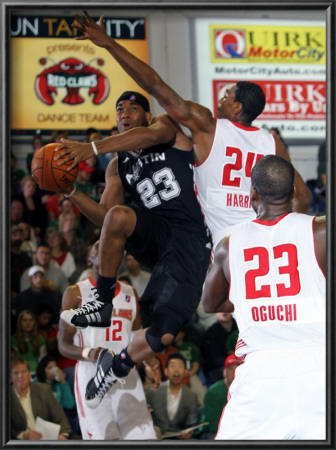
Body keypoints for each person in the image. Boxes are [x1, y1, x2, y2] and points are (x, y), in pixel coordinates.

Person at [59, 11, 312, 256]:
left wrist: (110, 44)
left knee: (213, 299)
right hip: (265, 245)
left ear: (237, 107)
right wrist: (278, 231)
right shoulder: (273, 142)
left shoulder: (207, 126)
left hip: (221, 245)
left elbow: (155, 85)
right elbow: (303, 198)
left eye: (226, 97)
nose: (219, 101)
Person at [53, 88, 210, 406]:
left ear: (147, 115)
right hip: (156, 236)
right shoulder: (117, 165)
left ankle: (118, 365)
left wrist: (92, 147)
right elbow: (104, 217)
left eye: (132, 108)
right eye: (119, 109)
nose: (124, 113)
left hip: (189, 237)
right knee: (118, 216)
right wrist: (70, 190)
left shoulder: (165, 128)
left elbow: (147, 137)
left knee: (161, 334)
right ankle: (102, 303)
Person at [201, 155, 326, 440]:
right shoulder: (320, 230)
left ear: (253, 193)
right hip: (319, 365)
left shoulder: (228, 246)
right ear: (294, 191)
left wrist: (253, 298)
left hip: (261, 373)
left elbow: (211, 304)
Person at [58, 240, 157, 440]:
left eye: (112, 246)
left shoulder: (130, 293)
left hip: (125, 372)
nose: (106, 248)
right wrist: (90, 353)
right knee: (104, 439)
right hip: (92, 374)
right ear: (89, 258)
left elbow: (135, 336)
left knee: (144, 437)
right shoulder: (76, 293)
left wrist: (150, 361)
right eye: (98, 246)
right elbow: (63, 344)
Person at [11, 357, 71, 440]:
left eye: (24, 371)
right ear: (10, 377)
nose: (20, 376)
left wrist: (63, 435)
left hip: (47, 439)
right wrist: (25, 435)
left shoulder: (44, 390)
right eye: (16, 373)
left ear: (29, 374)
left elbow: (60, 418)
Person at [145, 352, 199, 439]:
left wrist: (188, 433)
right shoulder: (153, 391)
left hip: (180, 440)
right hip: (155, 438)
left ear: (186, 372)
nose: (176, 370)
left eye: (180, 366)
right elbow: (145, 418)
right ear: (166, 371)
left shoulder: (191, 396)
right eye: (172, 366)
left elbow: (192, 424)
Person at [201, 354, 243, 440]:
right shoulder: (213, 392)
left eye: (238, 369)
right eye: (231, 369)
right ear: (224, 371)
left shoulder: (249, 390)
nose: (235, 372)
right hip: (218, 431)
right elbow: (212, 423)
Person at [200, 312, 238, 385]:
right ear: (216, 312)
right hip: (220, 367)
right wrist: (229, 365)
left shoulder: (240, 327)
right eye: (220, 310)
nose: (224, 312)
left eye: (226, 309)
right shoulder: (210, 332)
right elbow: (213, 357)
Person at [11, 310, 47, 376]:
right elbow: (14, 360)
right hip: (20, 373)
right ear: (20, 323)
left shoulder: (40, 338)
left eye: (31, 320)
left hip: (36, 373)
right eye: (24, 320)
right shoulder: (13, 339)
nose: (28, 323)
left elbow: (42, 360)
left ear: (34, 323)